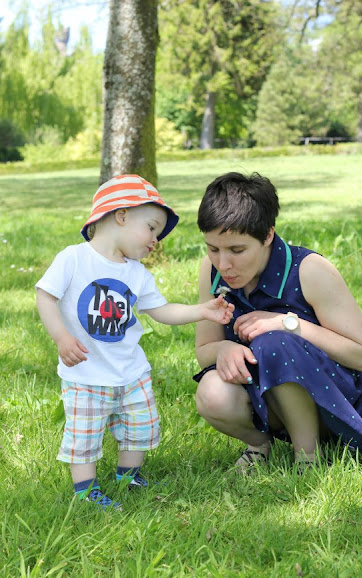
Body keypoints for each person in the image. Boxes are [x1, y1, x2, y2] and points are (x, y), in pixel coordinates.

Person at [36, 174, 234, 510]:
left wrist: (204, 311)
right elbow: (45, 295)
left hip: (131, 372)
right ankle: (85, 491)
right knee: (85, 435)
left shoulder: (137, 273)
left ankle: (129, 476)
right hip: (86, 374)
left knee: (139, 428)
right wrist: (61, 337)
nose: (156, 239)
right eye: (152, 227)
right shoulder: (73, 259)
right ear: (122, 215)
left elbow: (162, 311)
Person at [193, 172, 362, 471]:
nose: (224, 264)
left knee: (273, 342)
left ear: (268, 236)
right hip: (269, 397)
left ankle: (308, 457)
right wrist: (224, 349)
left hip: (332, 403)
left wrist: (288, 323)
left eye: (237, 250)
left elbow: (361, 355)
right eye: (213, 249)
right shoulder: (212, 270)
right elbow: (204, 348)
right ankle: (259, 445)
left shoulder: (310, 270)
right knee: (211, 392)